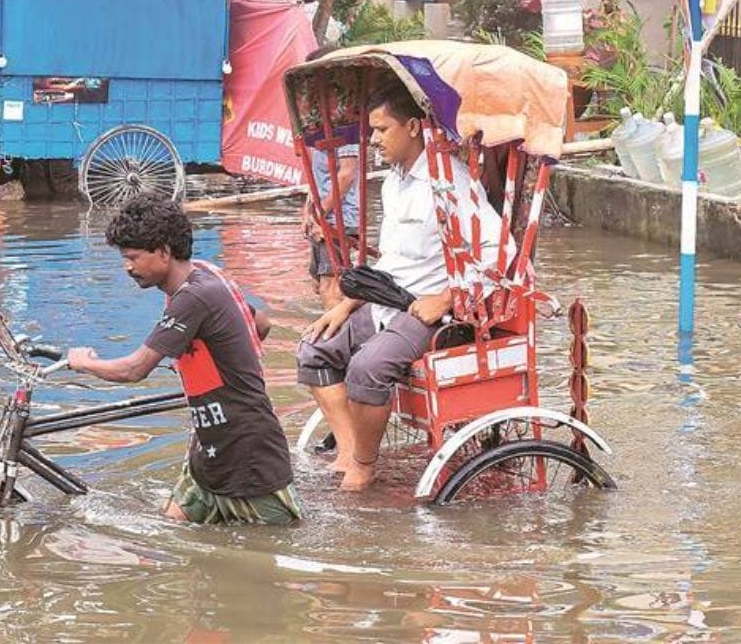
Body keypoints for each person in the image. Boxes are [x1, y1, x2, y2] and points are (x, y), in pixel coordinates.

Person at [296, 82, 514, 491]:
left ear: (413, 127)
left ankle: (363, 463)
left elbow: (502, 251)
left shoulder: (449, 182)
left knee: (367, 368)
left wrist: (446, 298)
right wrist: (346, 305)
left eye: (382, 130)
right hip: (385, 303)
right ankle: (350, 453)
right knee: (314, 350)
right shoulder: (393, 182)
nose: (374, 140)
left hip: (430, 311)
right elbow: (393, 261)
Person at [67, 194, 301, 525]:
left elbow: (135, 369)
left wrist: (84, 362)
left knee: (271, 554)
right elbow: (260, 324)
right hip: (210, 453)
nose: (127, 267)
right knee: (168, 537)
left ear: (163, 251)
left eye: (133, 257)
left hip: (249, 458)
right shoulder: (207, 275)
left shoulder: (193, 297)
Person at [303, 46, 361, 310]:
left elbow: (347, 173)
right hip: (322, 216)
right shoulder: (319, 123)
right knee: (319, 285)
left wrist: (319, 212)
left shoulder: (345, 122)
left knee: (331, 287)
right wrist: (308, 211)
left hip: (340, 220)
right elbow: (316, 176)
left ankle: (332, 347)